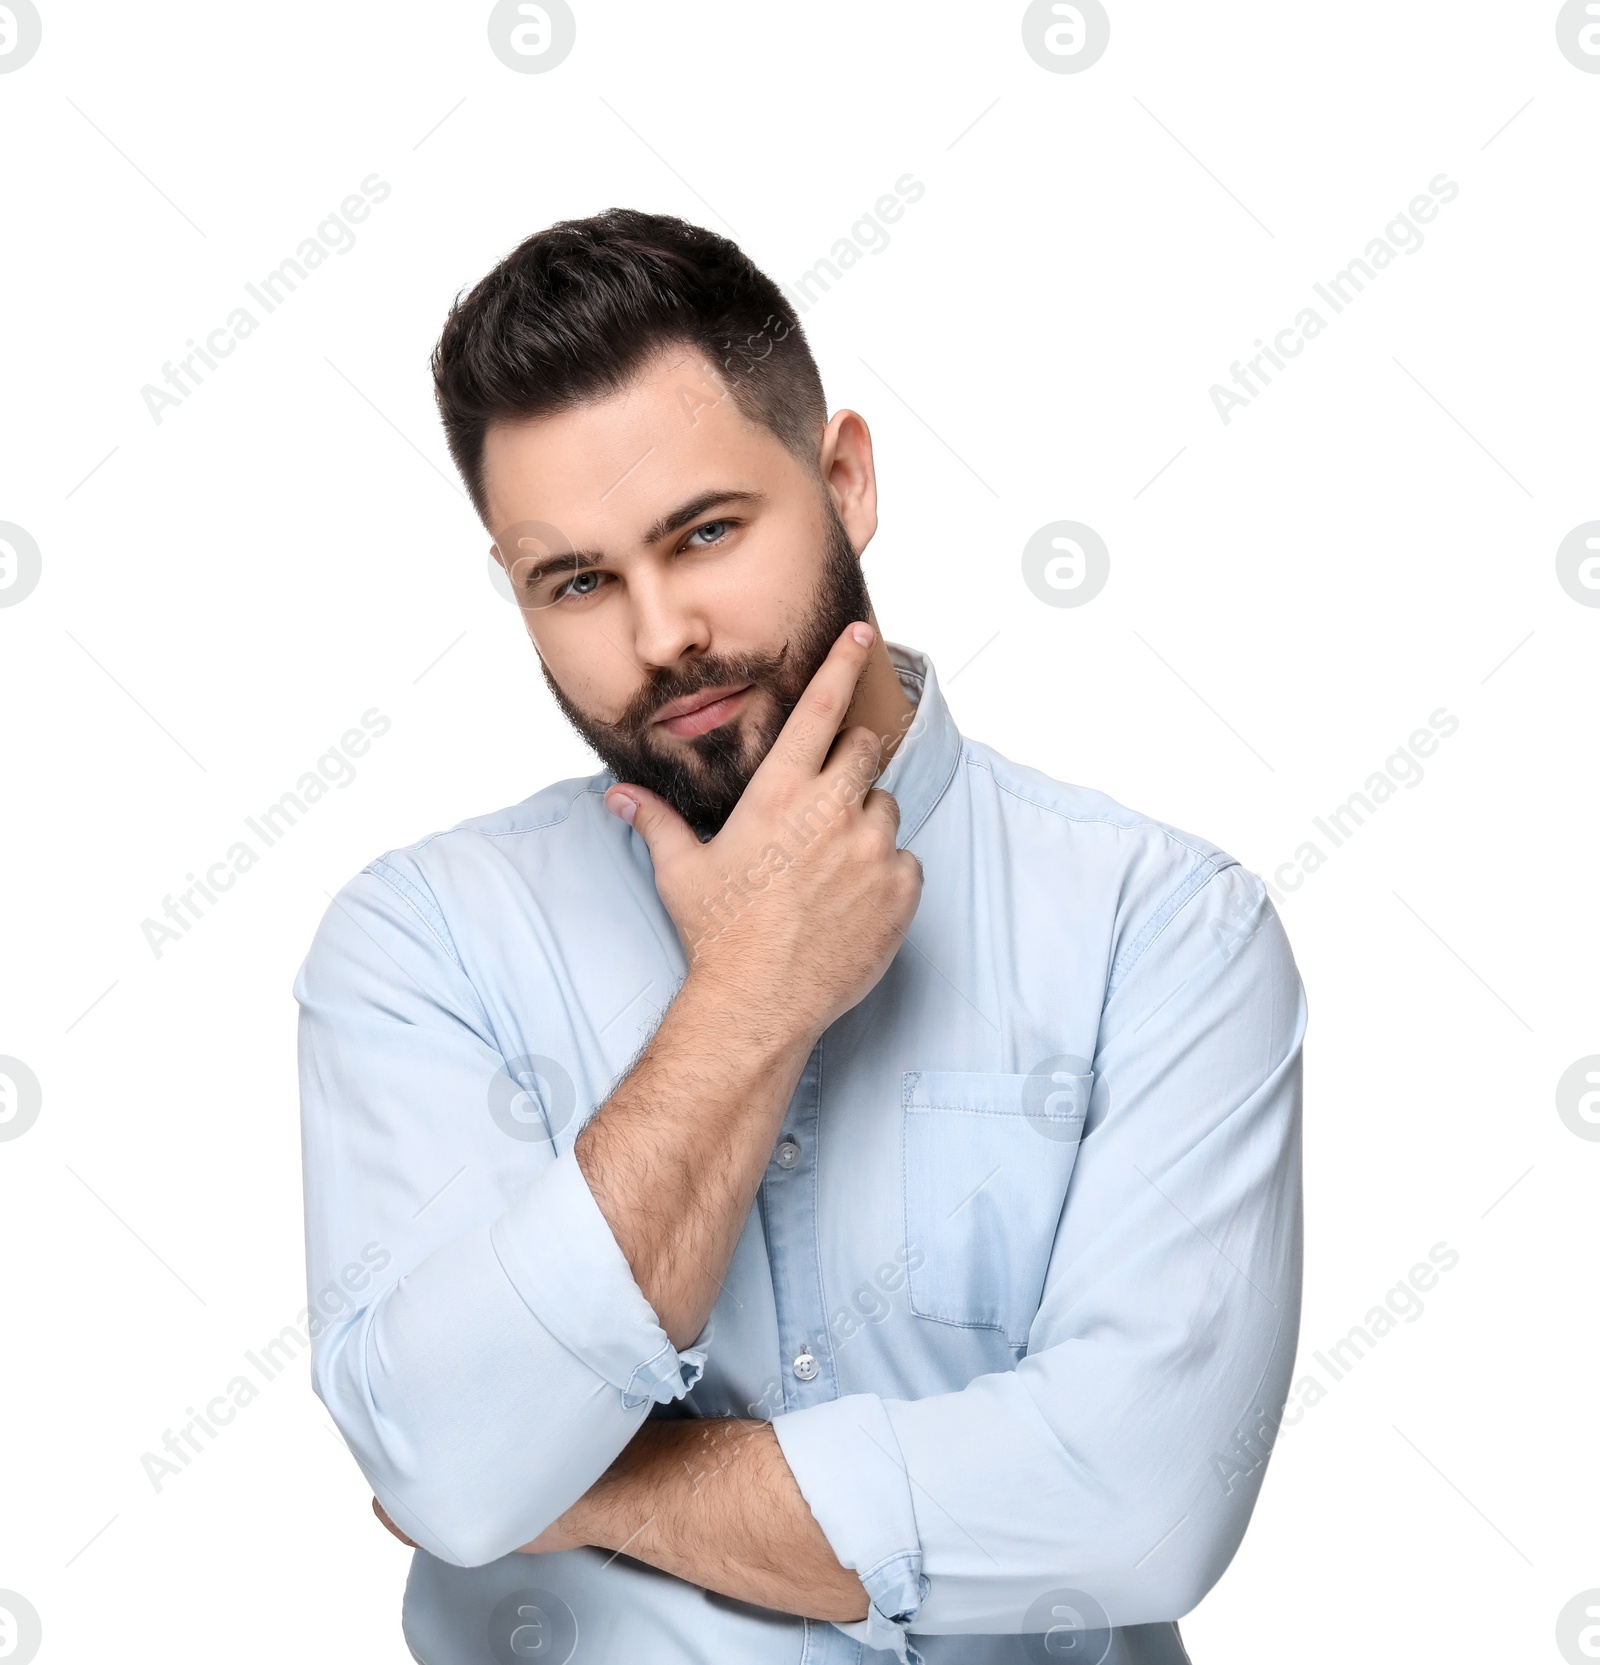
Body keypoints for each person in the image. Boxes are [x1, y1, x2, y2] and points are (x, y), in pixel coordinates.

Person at [294, 209, 1305, 1665]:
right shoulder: (422, 945)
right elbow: (447, 1462)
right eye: (576, 581)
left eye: (705, 533)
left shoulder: (1166, 929)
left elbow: (1138, 1505)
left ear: (845, 479)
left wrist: (577, 1485)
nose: (659, 635)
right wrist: (751, 999)